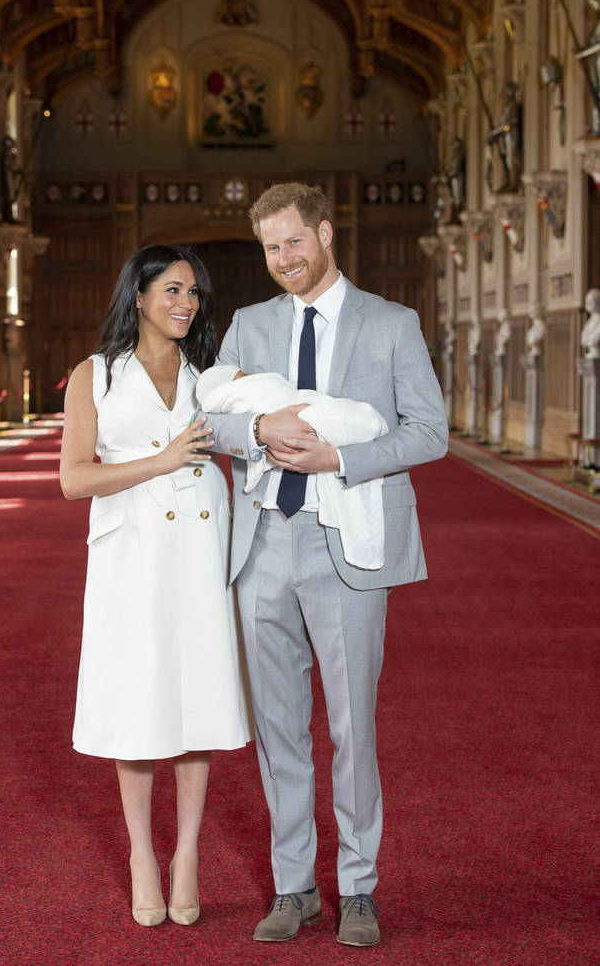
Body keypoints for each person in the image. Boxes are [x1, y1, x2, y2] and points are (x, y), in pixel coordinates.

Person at [203, 183, 448, 948]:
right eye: (271, 248)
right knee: (279, 728)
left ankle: (360, 888)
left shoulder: (391, 323)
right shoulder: (248, 325)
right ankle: (294, 886)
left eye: (294, 242)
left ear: (325, 233)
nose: (284, 260)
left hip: (349, 543)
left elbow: (429, 433)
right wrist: (259, 426)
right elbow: (211, 417)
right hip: (265, 546)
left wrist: (339, 455)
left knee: (352, 727)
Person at [60, 244, 252, 930]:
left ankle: (188, 855)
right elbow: (74, 478)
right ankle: (144, 852)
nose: (186, 304)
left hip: (201, 545)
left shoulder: (210, 375)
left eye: (194, 293)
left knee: (197, 696)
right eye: (173, 290)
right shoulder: (96, 376)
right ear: (138, 296)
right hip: (132, 551)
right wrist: (161, 459)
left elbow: (249, 433)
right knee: (139, 700)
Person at [196, 363, 389, 570]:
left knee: (339, 416)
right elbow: (203, 423)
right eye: (242, 376)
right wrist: (259, 428)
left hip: (332, 522)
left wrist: (337, 459)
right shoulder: (242, 340)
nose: (250, 375)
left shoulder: (395, 329)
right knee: (331, 420)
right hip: (262, 527)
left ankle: (366, 422)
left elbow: (427, 429)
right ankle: (366, 423)